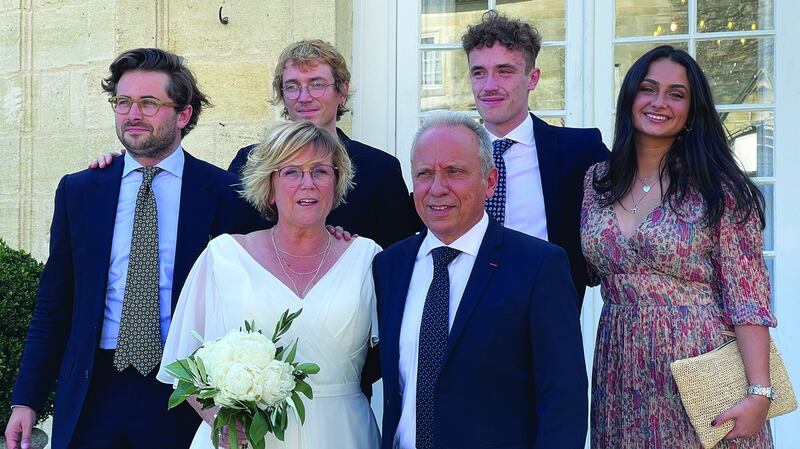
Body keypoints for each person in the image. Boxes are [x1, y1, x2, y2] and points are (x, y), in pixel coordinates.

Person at [4, 48, 264, 449]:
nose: (132, 114)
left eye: (148, 103)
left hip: (183, 391)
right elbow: (53, 303)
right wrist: (26, 399)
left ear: (183, 114)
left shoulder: (227, 196)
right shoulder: (80, 191)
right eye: (122, 102)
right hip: (93, 390)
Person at [581, 45, 776, 448]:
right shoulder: (596, 181)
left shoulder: (719, 189)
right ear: (630, 96)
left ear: (692, 109)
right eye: (648, 89)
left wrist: (760, 392)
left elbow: (747, 297)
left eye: (676, 93)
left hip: (702, 362)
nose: (659, 102)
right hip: (621, 364)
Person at [158, 120, 381, 449]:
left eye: (320, 171)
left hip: (342, 433)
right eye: (291, 171)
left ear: (336, 183)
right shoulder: (223, 258)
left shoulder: (367, 259)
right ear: (270, 186)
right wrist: (218, 418)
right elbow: (186, 366)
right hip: (246, 440)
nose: (308, 183)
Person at [375, 111, 588, 449]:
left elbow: (564, 401)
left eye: (454, 172)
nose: (437, 188)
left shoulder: (539, 267)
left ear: (490, 182)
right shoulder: (389, 266)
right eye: (424, 174)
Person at [462, 11, 609, 303]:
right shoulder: (453, 152)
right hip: (463, 317)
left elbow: (638, 196)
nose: (489, 85)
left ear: (533, 78)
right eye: (479, 72)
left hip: (546, 317)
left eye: (504, 71)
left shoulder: (579, 151)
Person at [227, 39, 419, 249]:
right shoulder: (250, 162)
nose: (304, 97)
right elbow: (233, 244)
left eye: (316, 85)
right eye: (292, 87)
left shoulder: (381, 170)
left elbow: (398, 256)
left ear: (342, 91)